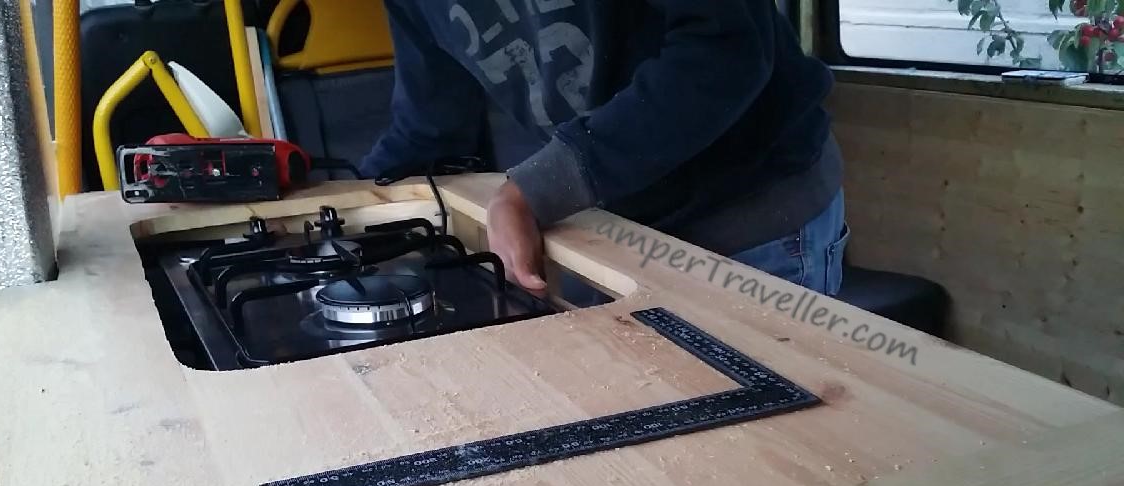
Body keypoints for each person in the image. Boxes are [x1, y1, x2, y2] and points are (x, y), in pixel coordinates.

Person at [360, 0, 847, 296]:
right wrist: (343, 216)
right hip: (609, 233)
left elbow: (725, 49)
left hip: (750, 222)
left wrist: (535, 190)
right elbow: (430, 130)